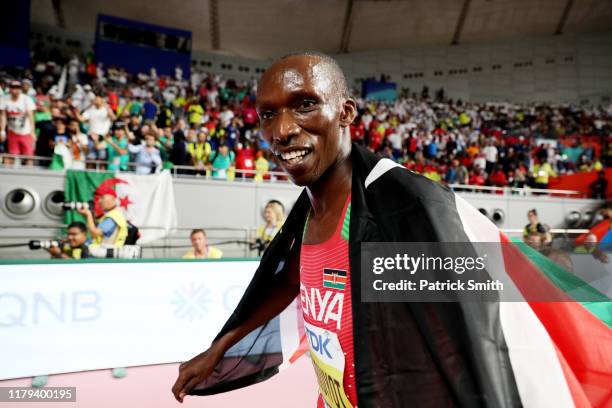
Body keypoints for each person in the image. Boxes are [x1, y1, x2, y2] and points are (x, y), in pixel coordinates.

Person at [173, 53, 529, 407]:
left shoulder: (402, 210)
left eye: (305, 105)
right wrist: (218, 349)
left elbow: (469, 335)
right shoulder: (307, 213)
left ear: (346, 113)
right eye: (268, 114)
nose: (281, 131)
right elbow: (289, 281)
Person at [0, 80, 37, 165]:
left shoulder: (26, 99)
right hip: (12, 131)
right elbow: (3, 116)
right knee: (13, 155)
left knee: (28, 156)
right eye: (14, 88)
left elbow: (31, 116)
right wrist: (2, 131)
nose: (16, 90)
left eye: (18, 88)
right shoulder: (4, 99)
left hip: (26, 132)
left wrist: (32, 132)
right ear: (10, 89)